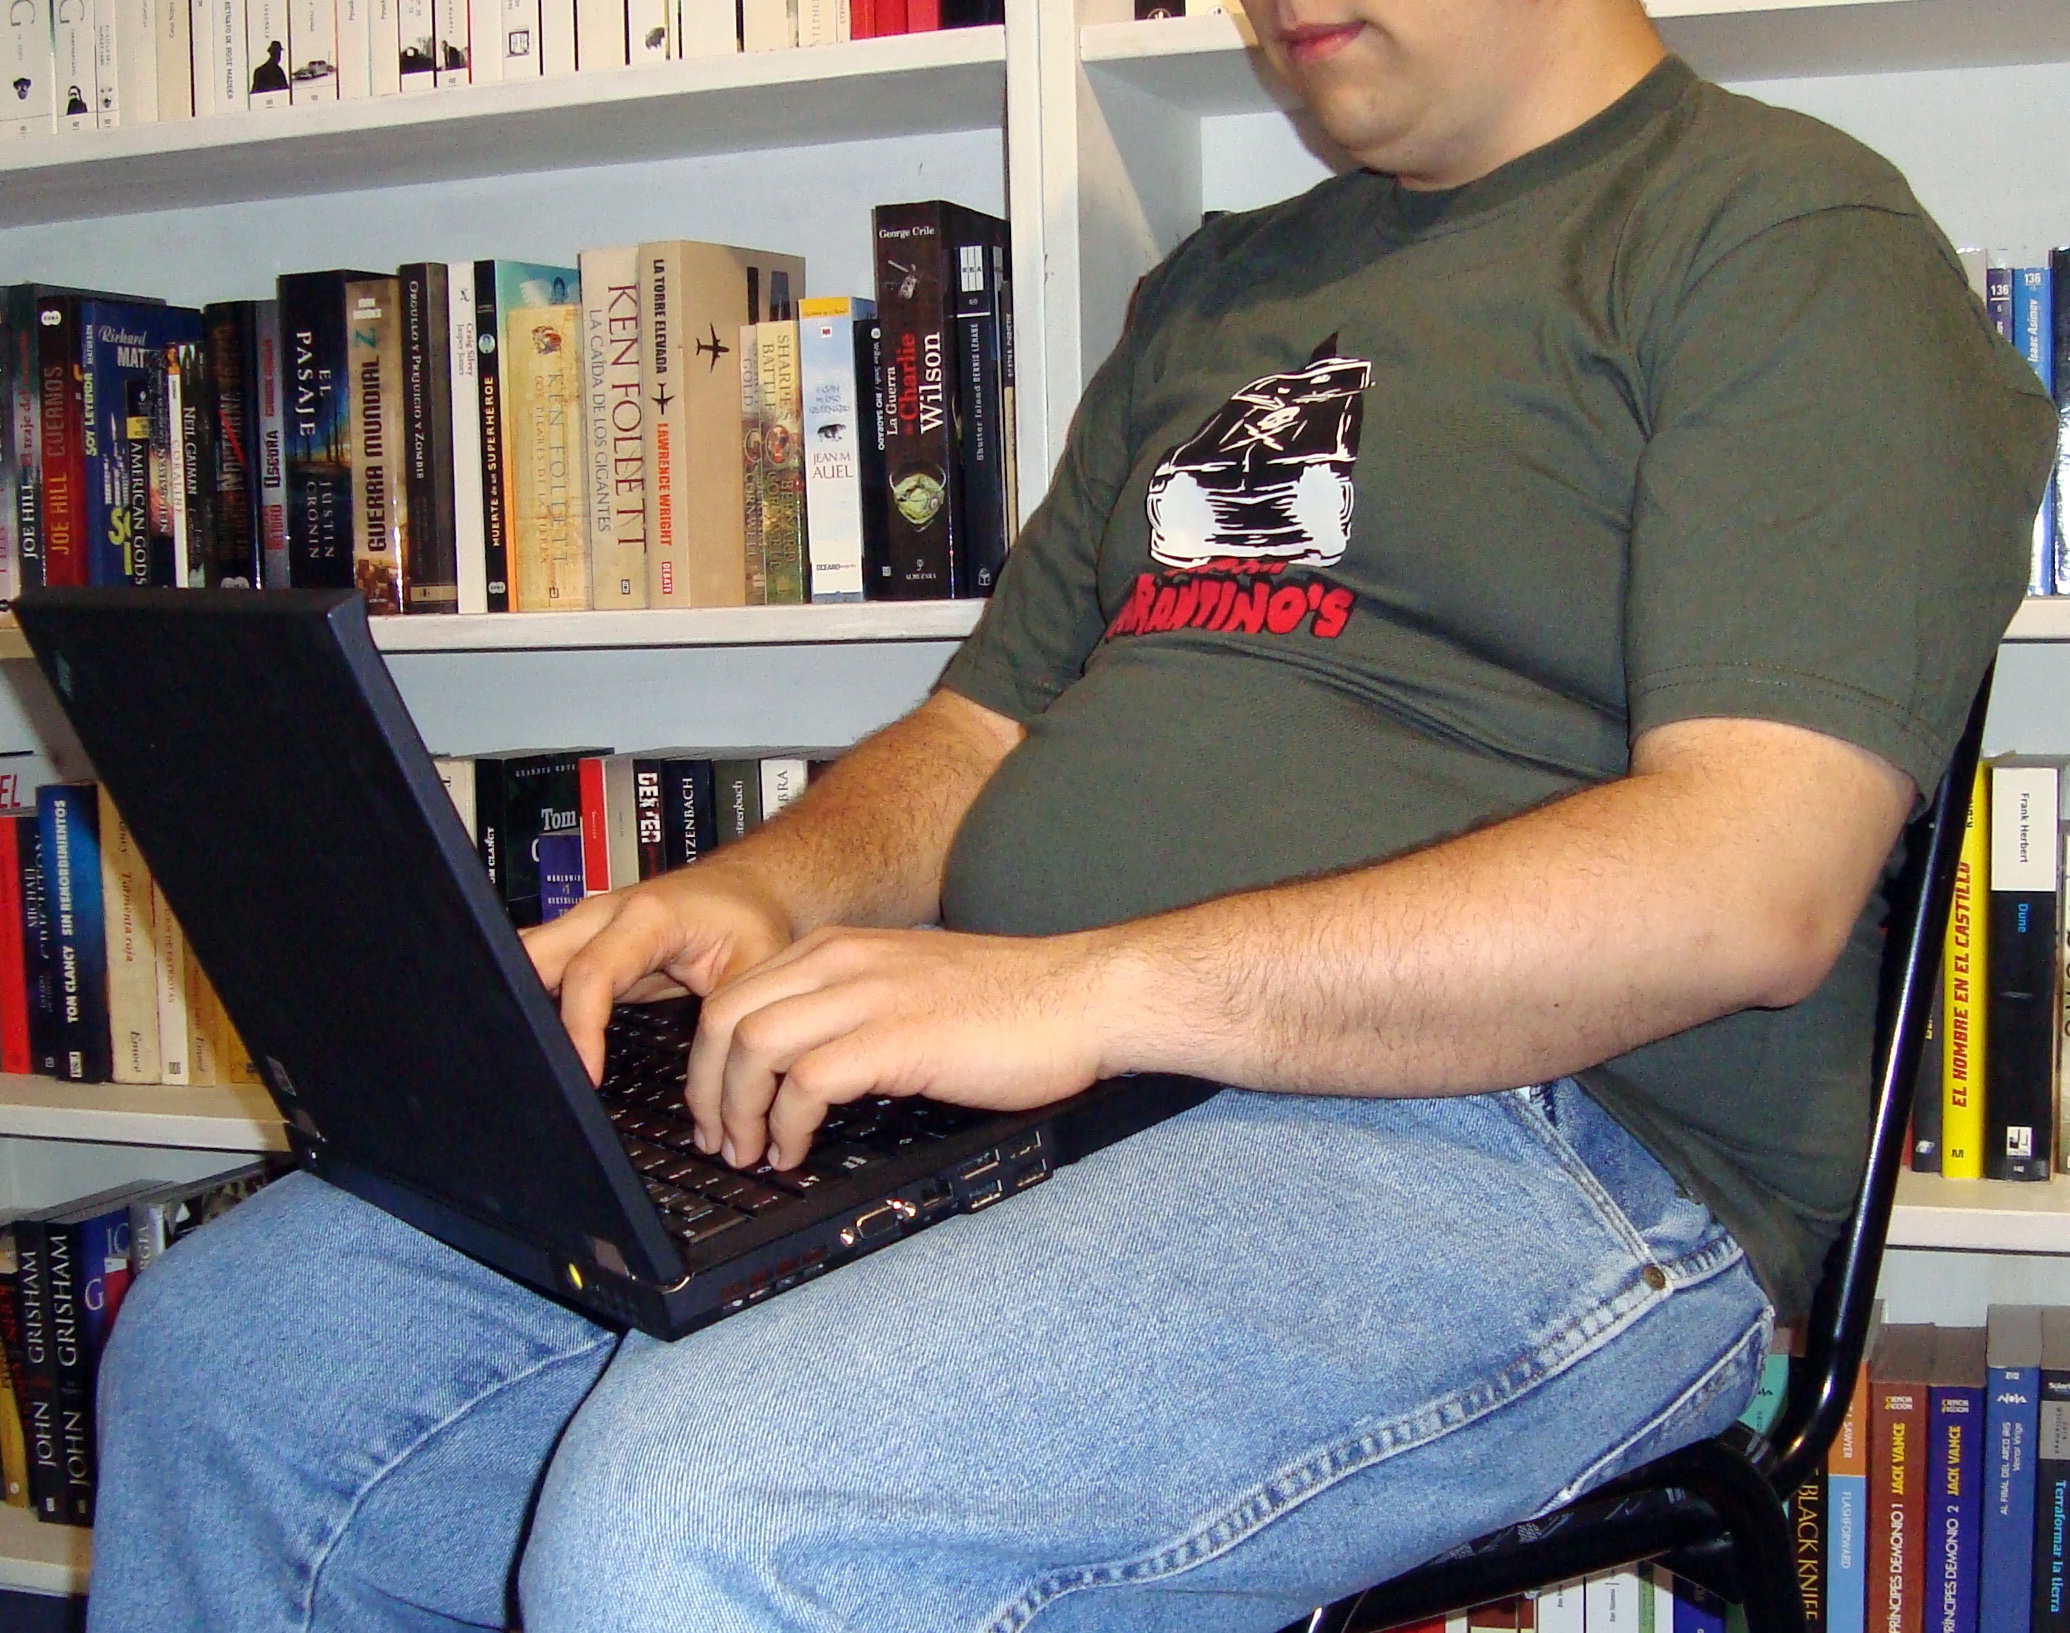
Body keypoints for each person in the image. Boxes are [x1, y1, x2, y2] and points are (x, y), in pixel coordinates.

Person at [88, 0, 2055, 1627]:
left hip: (1538, 1144)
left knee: (707, 1516)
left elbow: (1747, 882)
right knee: (240, 1355)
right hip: (1047, 1103)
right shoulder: (1226, 282)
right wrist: (762, 892)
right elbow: (980, 731)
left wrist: (1091, 987)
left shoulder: (1782, 238)